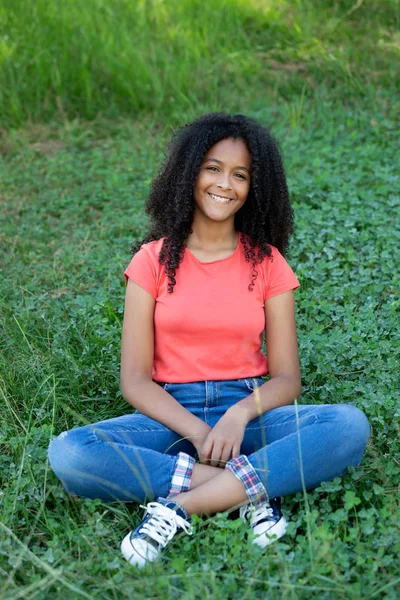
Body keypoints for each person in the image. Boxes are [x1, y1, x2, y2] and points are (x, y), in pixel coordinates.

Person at [48, 113, 370, 568]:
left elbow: (286, 378)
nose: (225, 184)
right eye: (212, 167)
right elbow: (136, 381)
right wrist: (200, 433)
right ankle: (249, 489)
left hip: (251, 413)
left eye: (240, 174)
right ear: (189, 173)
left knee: (349, 426)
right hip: (172, 417)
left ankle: (180, 506)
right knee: (70, 453)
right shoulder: (152, 261)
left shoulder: (269, 264)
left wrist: (238, 416)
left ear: (255, 187)